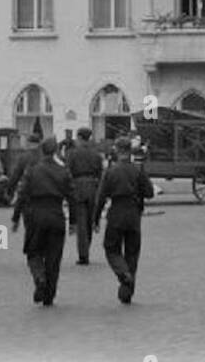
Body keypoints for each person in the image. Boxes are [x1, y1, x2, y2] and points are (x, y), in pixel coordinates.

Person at [93, 137, 154, 304]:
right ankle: (127, 292)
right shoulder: (138, 170)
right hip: (134, 214)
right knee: (132, 253)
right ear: (130, 151)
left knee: (111, 248)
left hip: (116, 213)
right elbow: (149, 192)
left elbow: (101, 197)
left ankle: (123, 273)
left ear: (117, 150)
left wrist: (96, 219)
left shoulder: (111, 172)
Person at [12, 136, 72, 306]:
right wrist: (73, 221)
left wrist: (16, 217)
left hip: (35, 215)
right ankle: (49, 295)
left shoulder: (32, 170)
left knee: (33, 251)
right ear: (55, 151)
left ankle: (39, 277)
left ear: (41, 150)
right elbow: (72, 197)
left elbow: (22, 194)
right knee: (54, 257)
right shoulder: (63, 171)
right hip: (56, 214)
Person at [66, 127, 104, 265]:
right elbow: (101, 173)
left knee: (81, 221)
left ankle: (83, 254)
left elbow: (68, 172)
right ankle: (86, 247)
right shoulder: (96, 154)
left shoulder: (72, 153)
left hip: (78, 187)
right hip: (93, 187)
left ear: (80, 138)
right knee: (89, 221)